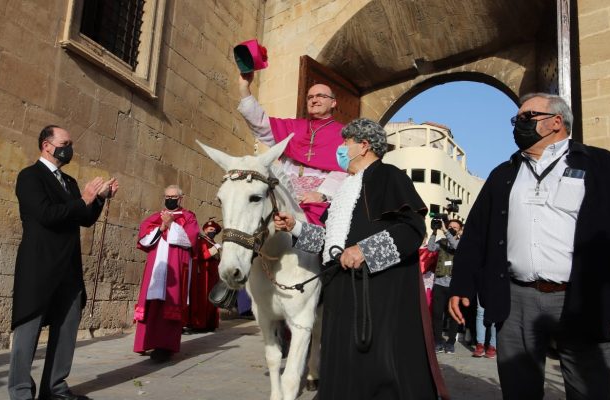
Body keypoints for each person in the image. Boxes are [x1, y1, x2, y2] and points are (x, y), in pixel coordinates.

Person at [448, 93, 610, 400]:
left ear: (556, 122)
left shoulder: (605, 167)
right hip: (517, 299)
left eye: (526, 117)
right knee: (519, 391)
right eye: (516, 119)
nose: (517, 124)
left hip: (581, 299)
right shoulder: (503, 174)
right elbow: (476, 236)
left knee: (589, 391)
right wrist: (462, 285)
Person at [274, 118, 447, 400]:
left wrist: (364, 250)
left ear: (364, 145)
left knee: (377, 366)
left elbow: (413, 230)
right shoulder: (345, 188)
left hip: (376, 293)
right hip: (341, 290)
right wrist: (294, 226)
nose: (341, 148)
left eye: (346, 143)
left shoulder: (389, 176)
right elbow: (329, 245)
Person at [9, 125, 118, 400]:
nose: (69, 147)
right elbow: (46, 214)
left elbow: (83, 217)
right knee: (28, 331)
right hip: (39, 265)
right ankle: (21, 392)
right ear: (46, 145)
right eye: (64, 142)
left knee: (67, 327)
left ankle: (55, 388)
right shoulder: (30, 177)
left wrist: (99, 200)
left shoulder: (68, 182)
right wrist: (83, 199)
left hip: (68, 266)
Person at [238, 72, 347, 225]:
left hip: (319, 205)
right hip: (284, 200)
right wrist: (244, 88)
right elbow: (260, 123)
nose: (314, 100)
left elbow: (347, 170)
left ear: (333, 103)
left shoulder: (346, 134)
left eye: (321, 96)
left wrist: (323, 194)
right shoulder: (293, 127)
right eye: (310, 97)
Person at [134, 185, 199, 361]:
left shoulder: (188, 217)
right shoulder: (156, 217)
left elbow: (191, 239)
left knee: (170, 305)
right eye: (167, 196)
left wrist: (172, 225)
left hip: (175, 269)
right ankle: (144, 342)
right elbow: (144, 240)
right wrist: (162, 227)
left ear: (180, 199)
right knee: (151, 304)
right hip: (156, 267)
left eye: (173, 197)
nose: (170, 199)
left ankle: (164, 346)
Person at [428, 219, 463, 354]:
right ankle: (438, 340)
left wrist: (445, 231)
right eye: (450, 227)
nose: (451, 229)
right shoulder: (442, 242)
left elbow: (455, 246)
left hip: (454, 285)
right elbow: (431, 247)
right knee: (437, 313)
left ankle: (450, 342)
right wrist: (434, 231)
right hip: (439, 283)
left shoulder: (461, 243)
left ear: (459, 230)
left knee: (453, 315)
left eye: (455, 227)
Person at [186, 219, 223, 333]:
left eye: (214, 230)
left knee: (212, 300)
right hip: (203, 274)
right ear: (205, 229)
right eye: (210, 229)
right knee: (202, 300)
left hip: (213, 276)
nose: (212, 231)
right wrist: (214, 249)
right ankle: (199, 324)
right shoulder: (201, 240)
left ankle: (210, 324)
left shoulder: (212, 241)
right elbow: (202, 255)